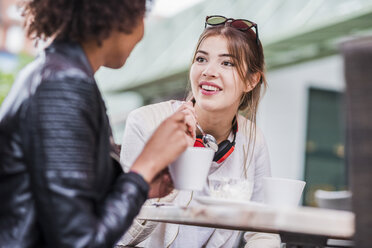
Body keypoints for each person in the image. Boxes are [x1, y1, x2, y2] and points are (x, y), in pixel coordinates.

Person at [0, 0, 196, 247]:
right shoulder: (64, 85)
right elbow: (79, 240)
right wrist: (146, 165)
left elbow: (65, 206)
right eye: (142, 13)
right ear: (119, 12)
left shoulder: (55, 73)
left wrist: (141, 186)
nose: (142, 31)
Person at [117, 15, 280, 247]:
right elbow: (119, 235)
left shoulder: (253, 139)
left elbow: (263, 231)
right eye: (201, 59)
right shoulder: (146, 122)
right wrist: (163, 187)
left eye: (227, 63)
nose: (208, 71)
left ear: (251, 81)